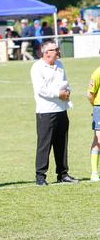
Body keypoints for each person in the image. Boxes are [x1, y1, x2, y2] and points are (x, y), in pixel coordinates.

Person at [30, 40, 77, 186]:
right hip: (46, 111)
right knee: (44, 144)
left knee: (62, 143)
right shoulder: (37, 67)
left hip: (61, 109)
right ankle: (40, 176)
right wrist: (58, 94)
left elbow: (65, 82)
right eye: (55, 49)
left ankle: (63, 173)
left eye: (57, 48)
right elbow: (41, 89)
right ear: (46, 52)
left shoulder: (59, 65)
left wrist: (67, 92)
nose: (58, 51)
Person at [86, 59, 100, 182]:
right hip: (99, 108)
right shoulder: (97, 72)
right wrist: (96, 107)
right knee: (99, 139)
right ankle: (94, 172)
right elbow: (90, 94)